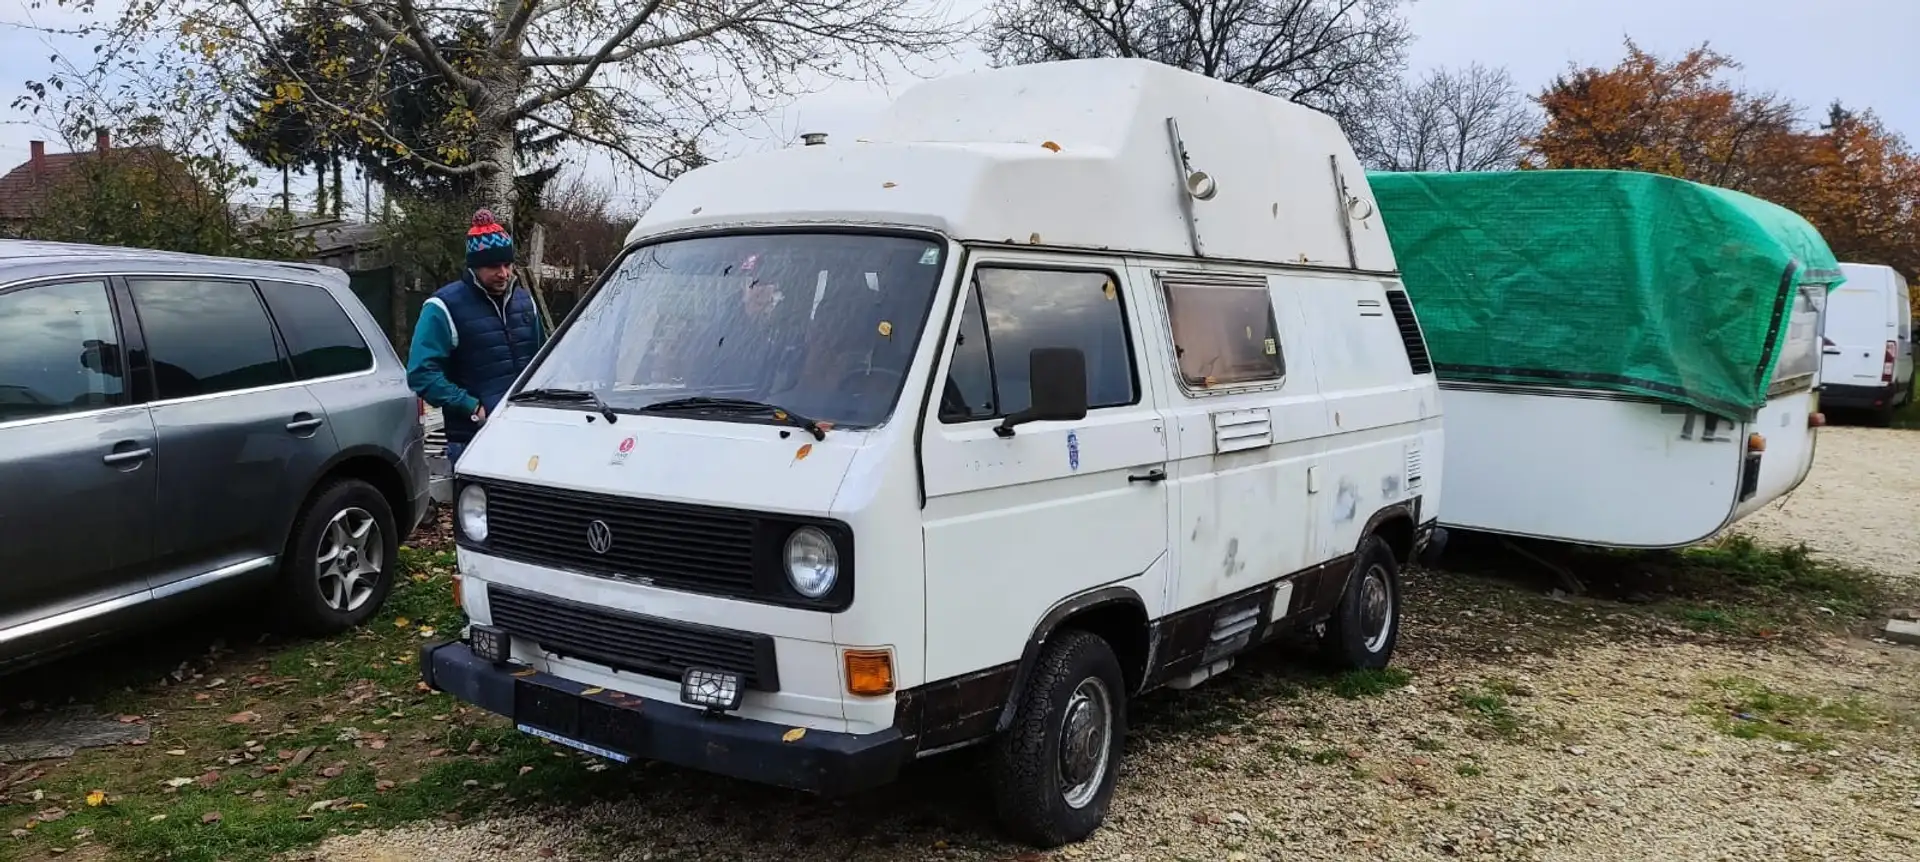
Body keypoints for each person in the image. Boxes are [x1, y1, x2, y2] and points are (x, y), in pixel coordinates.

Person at [406, 209, 545, 465]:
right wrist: (470, 406)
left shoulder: (525, 303)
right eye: (494, 266)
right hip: (472, 438)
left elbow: (543, 363)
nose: (503, 273)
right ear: (474, 266)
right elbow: (421, 372)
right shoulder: (443, 307)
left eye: (507, 264)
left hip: (525, 431)